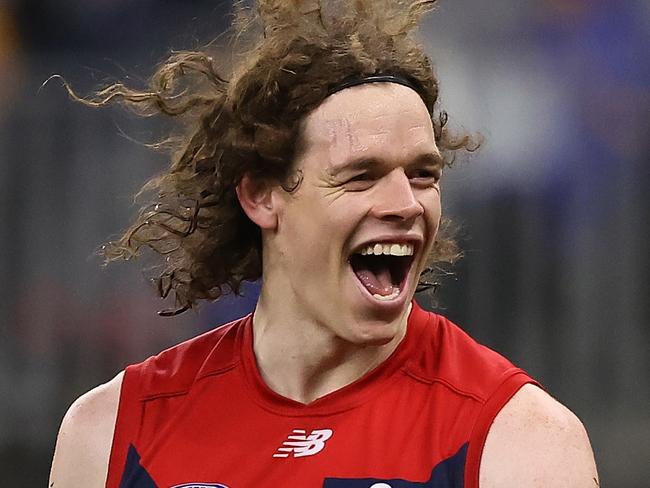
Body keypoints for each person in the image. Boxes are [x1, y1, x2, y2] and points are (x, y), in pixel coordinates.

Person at [49, 1, 599, 487]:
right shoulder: (113, 434)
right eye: (361, 176)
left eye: (423, 175)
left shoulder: (518, 441)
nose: (405, 203)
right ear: (262, 196)